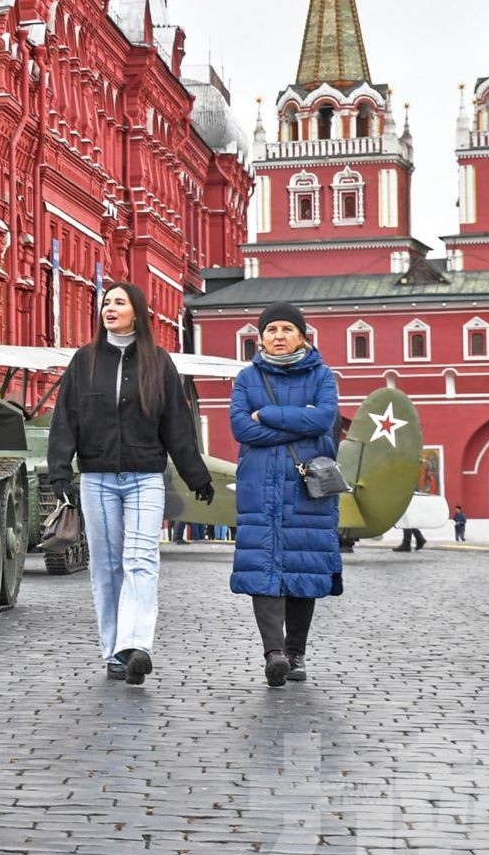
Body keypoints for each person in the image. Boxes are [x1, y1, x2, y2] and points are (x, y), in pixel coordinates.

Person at [47, 282, 214, 686]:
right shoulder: (84, 361)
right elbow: (64, 419)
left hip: (144, 478)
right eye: (105, 302)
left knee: (141, 561)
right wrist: (59, 473)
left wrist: (196, 475)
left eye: (119, 302)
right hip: (97, 478)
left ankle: (136, 645)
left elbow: (177, 424)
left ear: (137, 312)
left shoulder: (159, 362)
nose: (110, 307)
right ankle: (114, 651)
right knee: (106, 566)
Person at [228, 302, 342, 687]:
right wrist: (300, 422)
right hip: (260, 488)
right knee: (264, 567)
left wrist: (270, 416)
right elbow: (243, 430)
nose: (278, 336)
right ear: (260, 338)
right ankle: (273, 652)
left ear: (302, 336)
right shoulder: (246, 378)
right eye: (271, 330)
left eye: (286, 329)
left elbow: (324, 419)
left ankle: (296, 651)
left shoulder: (323, 376)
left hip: (306, 488)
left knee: (301, 566)